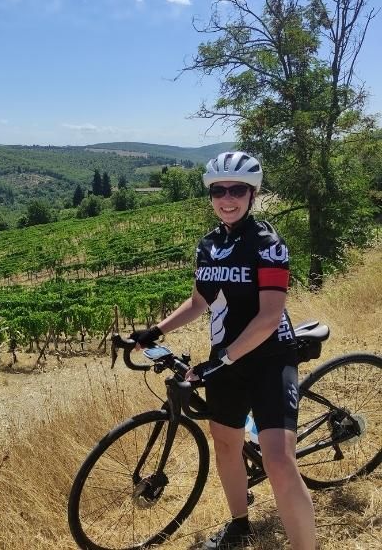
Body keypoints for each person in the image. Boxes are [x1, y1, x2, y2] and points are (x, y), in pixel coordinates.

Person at [131, 152, 316, 550]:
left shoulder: (268, 244)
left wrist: (225, 359)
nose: (227, 198)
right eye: (219, 190)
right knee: (227, 445)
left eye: (237, 190)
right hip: (224, 361)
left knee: (279, 462)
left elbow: (269, 317)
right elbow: (200, 301)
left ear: (252, 194)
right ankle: (239, 525)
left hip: (269, 358)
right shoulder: (209, 245)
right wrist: (155, 330)